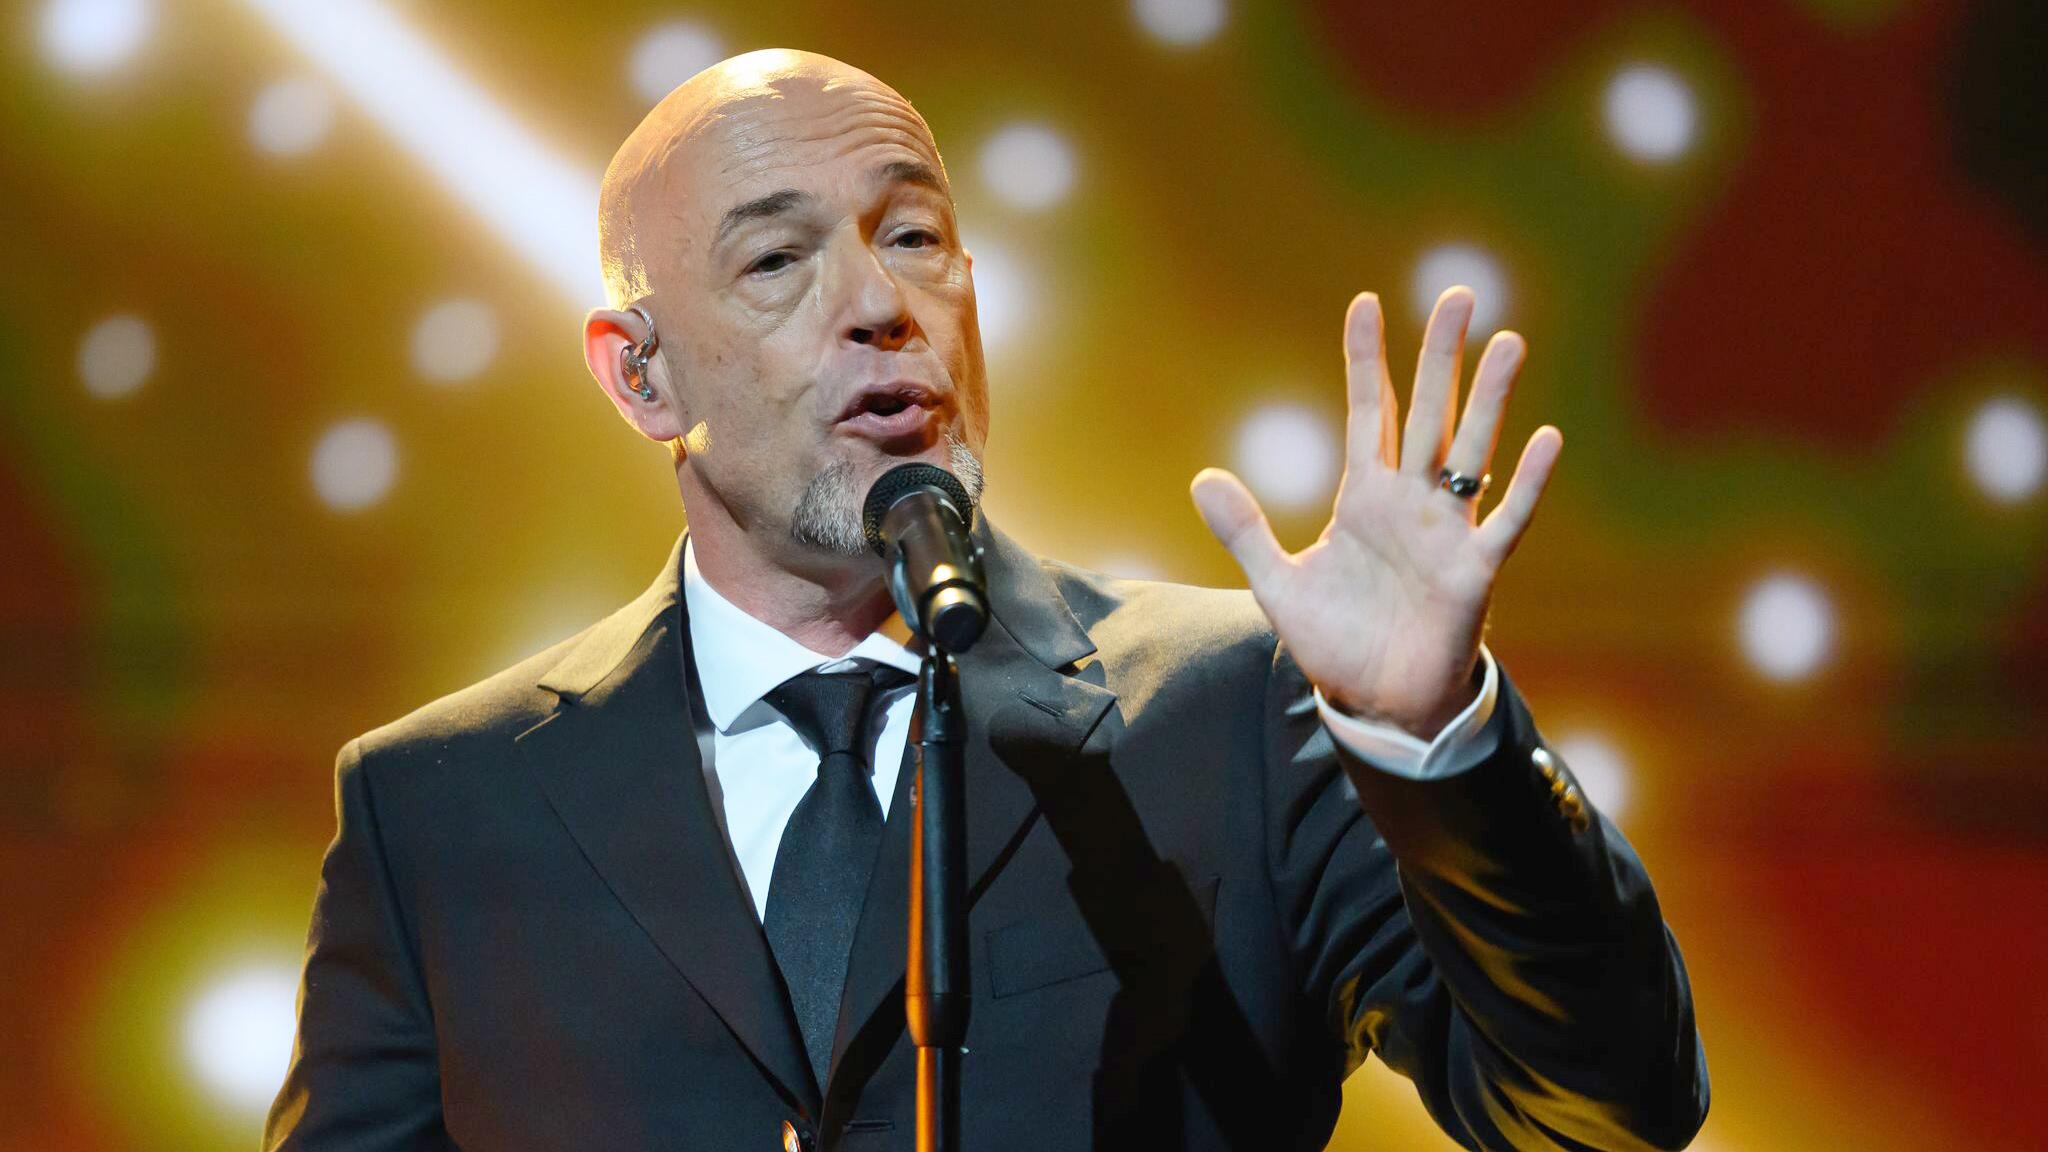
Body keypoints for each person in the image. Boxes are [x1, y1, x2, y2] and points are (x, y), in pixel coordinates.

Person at [265, 48, 1707, 1152]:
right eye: (777, 259)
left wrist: (1440, 740)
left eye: (912, 236)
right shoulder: (441, 806)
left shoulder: (1237, 707)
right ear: (640, 374)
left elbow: (1607, 1108)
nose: (878, 305)